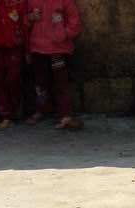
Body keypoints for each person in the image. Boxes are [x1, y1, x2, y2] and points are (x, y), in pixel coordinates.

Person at [24, 0, 81, 129]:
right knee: (40, 83)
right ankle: (41, 110)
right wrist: (30, 18)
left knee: (61, 82)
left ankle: (66, 114)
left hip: (58, 49)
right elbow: (24, 21)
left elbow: (74, 20)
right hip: (38, 48)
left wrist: (64, 34)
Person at [0, 0, 29, 128]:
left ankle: (13, 110)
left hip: (15, 46)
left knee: (12, 79)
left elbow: (25, 26)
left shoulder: (20, 3)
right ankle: (5, 114)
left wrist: (27, 50)